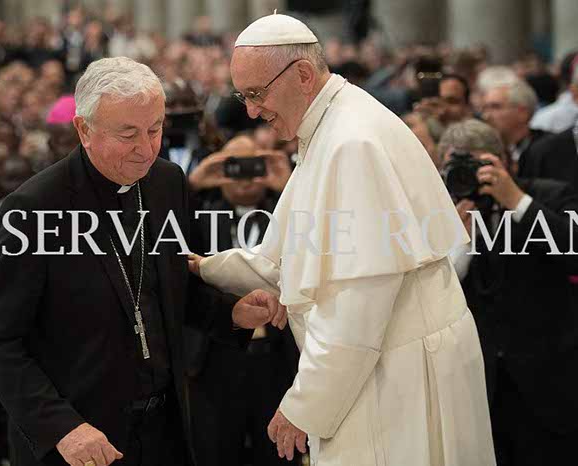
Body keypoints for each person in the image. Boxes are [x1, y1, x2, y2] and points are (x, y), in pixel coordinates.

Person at [189, 14, 495, 465]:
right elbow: (287, 255)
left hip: (398, 372)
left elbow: (358, 304)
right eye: (244, 96)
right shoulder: (329, 127)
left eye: (257, 94)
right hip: (383, 363)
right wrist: (201, 268)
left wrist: (304, 405)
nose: (251, 112)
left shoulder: (351, 142)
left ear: (302, 75)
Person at [0, 57, 286, 466]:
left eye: (155, 129)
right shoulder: (33, 208)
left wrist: (231, 313)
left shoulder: (167, 182)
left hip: (163, 431)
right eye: (128, 134)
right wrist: (62, 427)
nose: (146, 148)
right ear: (84, 130)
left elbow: (165, 287)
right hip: (80, 439)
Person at [440, 119, 578, 466]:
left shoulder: (549, 195)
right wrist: (459, 241)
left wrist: (516, 201)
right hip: (479, 384)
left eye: (479, 164)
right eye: (457, 167)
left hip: (549, 381)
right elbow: (435, 296)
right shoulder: (442, 214)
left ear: (504, 161)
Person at [185, 135, 299, 466]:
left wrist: (290, 187)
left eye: (254, 166)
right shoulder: (201, 214)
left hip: (279, 353)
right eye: (234, 167)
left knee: (279, 452)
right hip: (215, 356)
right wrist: (193, 183)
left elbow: (320, 234)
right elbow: (162, 236)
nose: (245, 177)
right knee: (214, 450)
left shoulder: (286, 212)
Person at [481, 80, 546, 172]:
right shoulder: (483, 148)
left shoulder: (547, 150)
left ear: (523, 113)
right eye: (484, 108)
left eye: (495, 107)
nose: (485, 116)